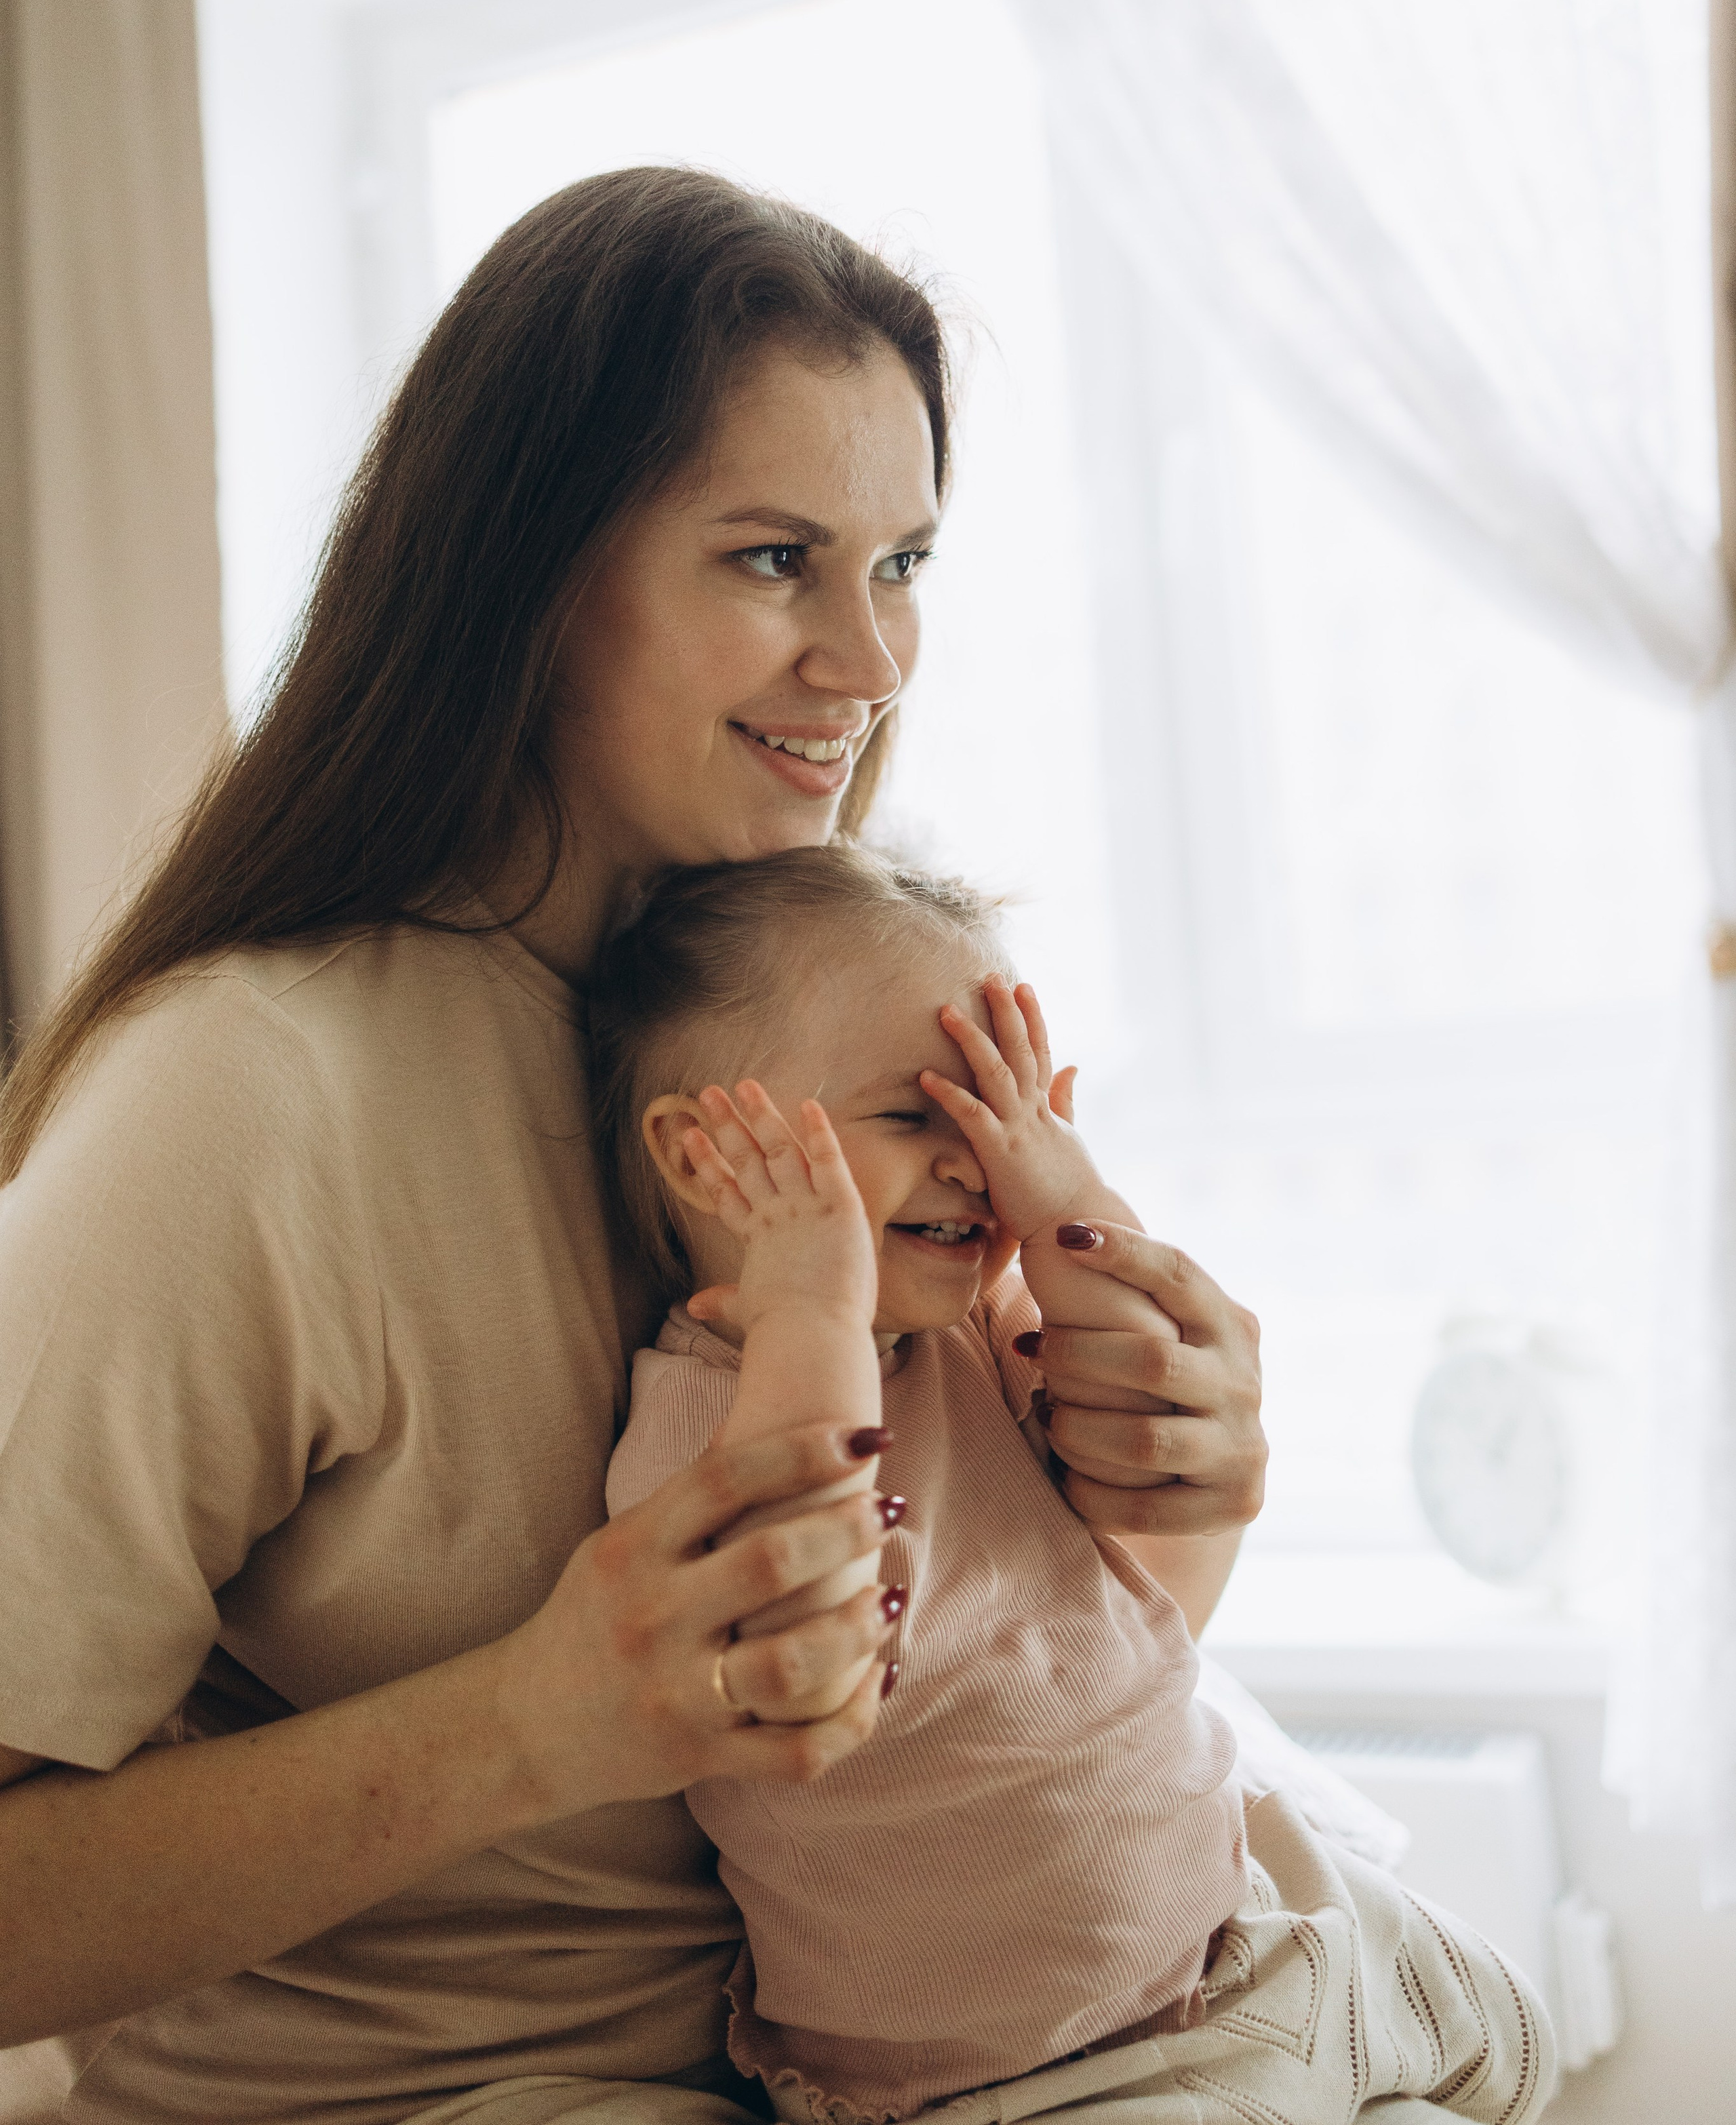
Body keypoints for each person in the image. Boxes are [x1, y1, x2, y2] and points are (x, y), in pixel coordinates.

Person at [0, 170, 1268, 2125]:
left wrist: (1177, 1490)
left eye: (903, 563)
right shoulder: (244, 1097)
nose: (871, 660)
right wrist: (536, 1720)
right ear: (526, 572)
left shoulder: (826, 1022)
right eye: (773, 559)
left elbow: (945, 1735)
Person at [595, 844, 1556, 2125]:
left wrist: (1065, 1191)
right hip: (1022, 2076)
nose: (970, 1160)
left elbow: (1137, 1371)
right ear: (703, 1152)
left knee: (1516, 2038)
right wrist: (810, 1304)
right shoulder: (692, 1430)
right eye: (912, 1116)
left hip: (1234, 1938)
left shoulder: (968, 1331)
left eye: (996, 1109)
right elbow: (810, 1610)